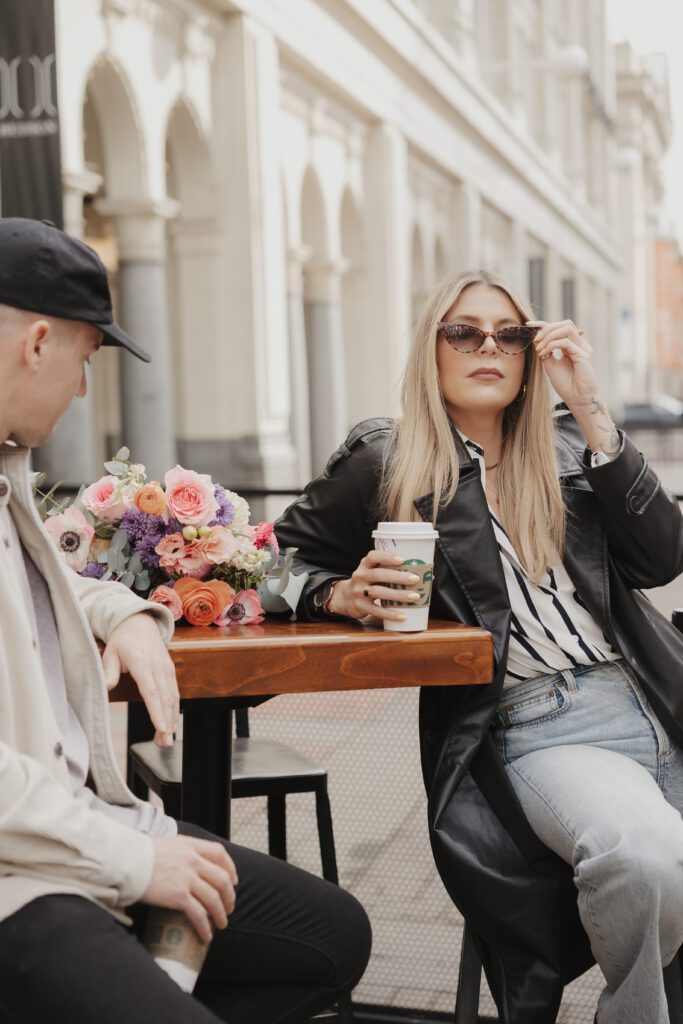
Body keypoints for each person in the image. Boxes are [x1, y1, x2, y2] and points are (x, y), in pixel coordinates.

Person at [275, 268, 683, 1024]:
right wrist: (336, 594)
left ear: (532, 355)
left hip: (659, 696)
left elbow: (662, 559)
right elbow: (272, 558)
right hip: (541, 726)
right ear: (432, 350)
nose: (486, 346)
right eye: (463, 331)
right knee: (643, 857)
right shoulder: (386, 460)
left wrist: (589, 408)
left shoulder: (569, 449)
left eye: (510, 334)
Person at [0, 218, 370, 1024]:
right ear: (36, 344)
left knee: (333, 936)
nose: (83, 390)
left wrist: (125, 610)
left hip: (85, 825)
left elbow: (45, 579)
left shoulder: (7, 465)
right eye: (86, 360)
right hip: (23, 879)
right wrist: (136, 863)